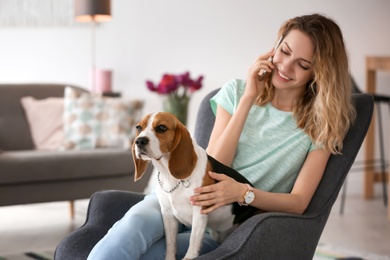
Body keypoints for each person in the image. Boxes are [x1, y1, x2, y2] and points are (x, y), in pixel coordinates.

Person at [87, 13, 355, 260]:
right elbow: (214, 161)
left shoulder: (321, 126)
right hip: (178, 196)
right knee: (129, 230)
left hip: (227, 226)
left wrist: (243, 193)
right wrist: (249, 98)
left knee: (152, 255)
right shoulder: (237, 92)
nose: (285, 66)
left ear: (318, 72)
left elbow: (299, 203)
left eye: (303, 64)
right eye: (283, 51)